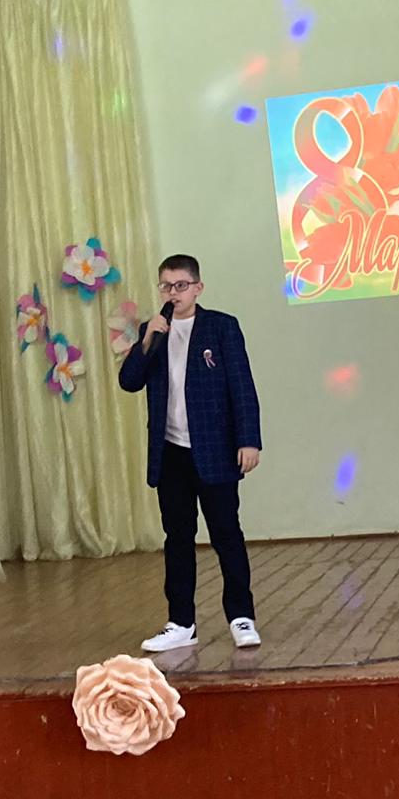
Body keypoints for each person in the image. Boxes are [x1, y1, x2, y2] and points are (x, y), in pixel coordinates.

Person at [119, 254, 262, 652]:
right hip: (170, 454)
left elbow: (242, 386)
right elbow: (129, 381)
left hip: (215, 451)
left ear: (198, 288)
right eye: (166, 286)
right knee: (177, 538)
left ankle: (241, 616)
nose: (173, 293)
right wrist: (146, 340)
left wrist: (249, 440)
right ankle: (181, 622)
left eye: (181, 285)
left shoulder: (221, 327)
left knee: (226, 534)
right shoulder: (154, 332)